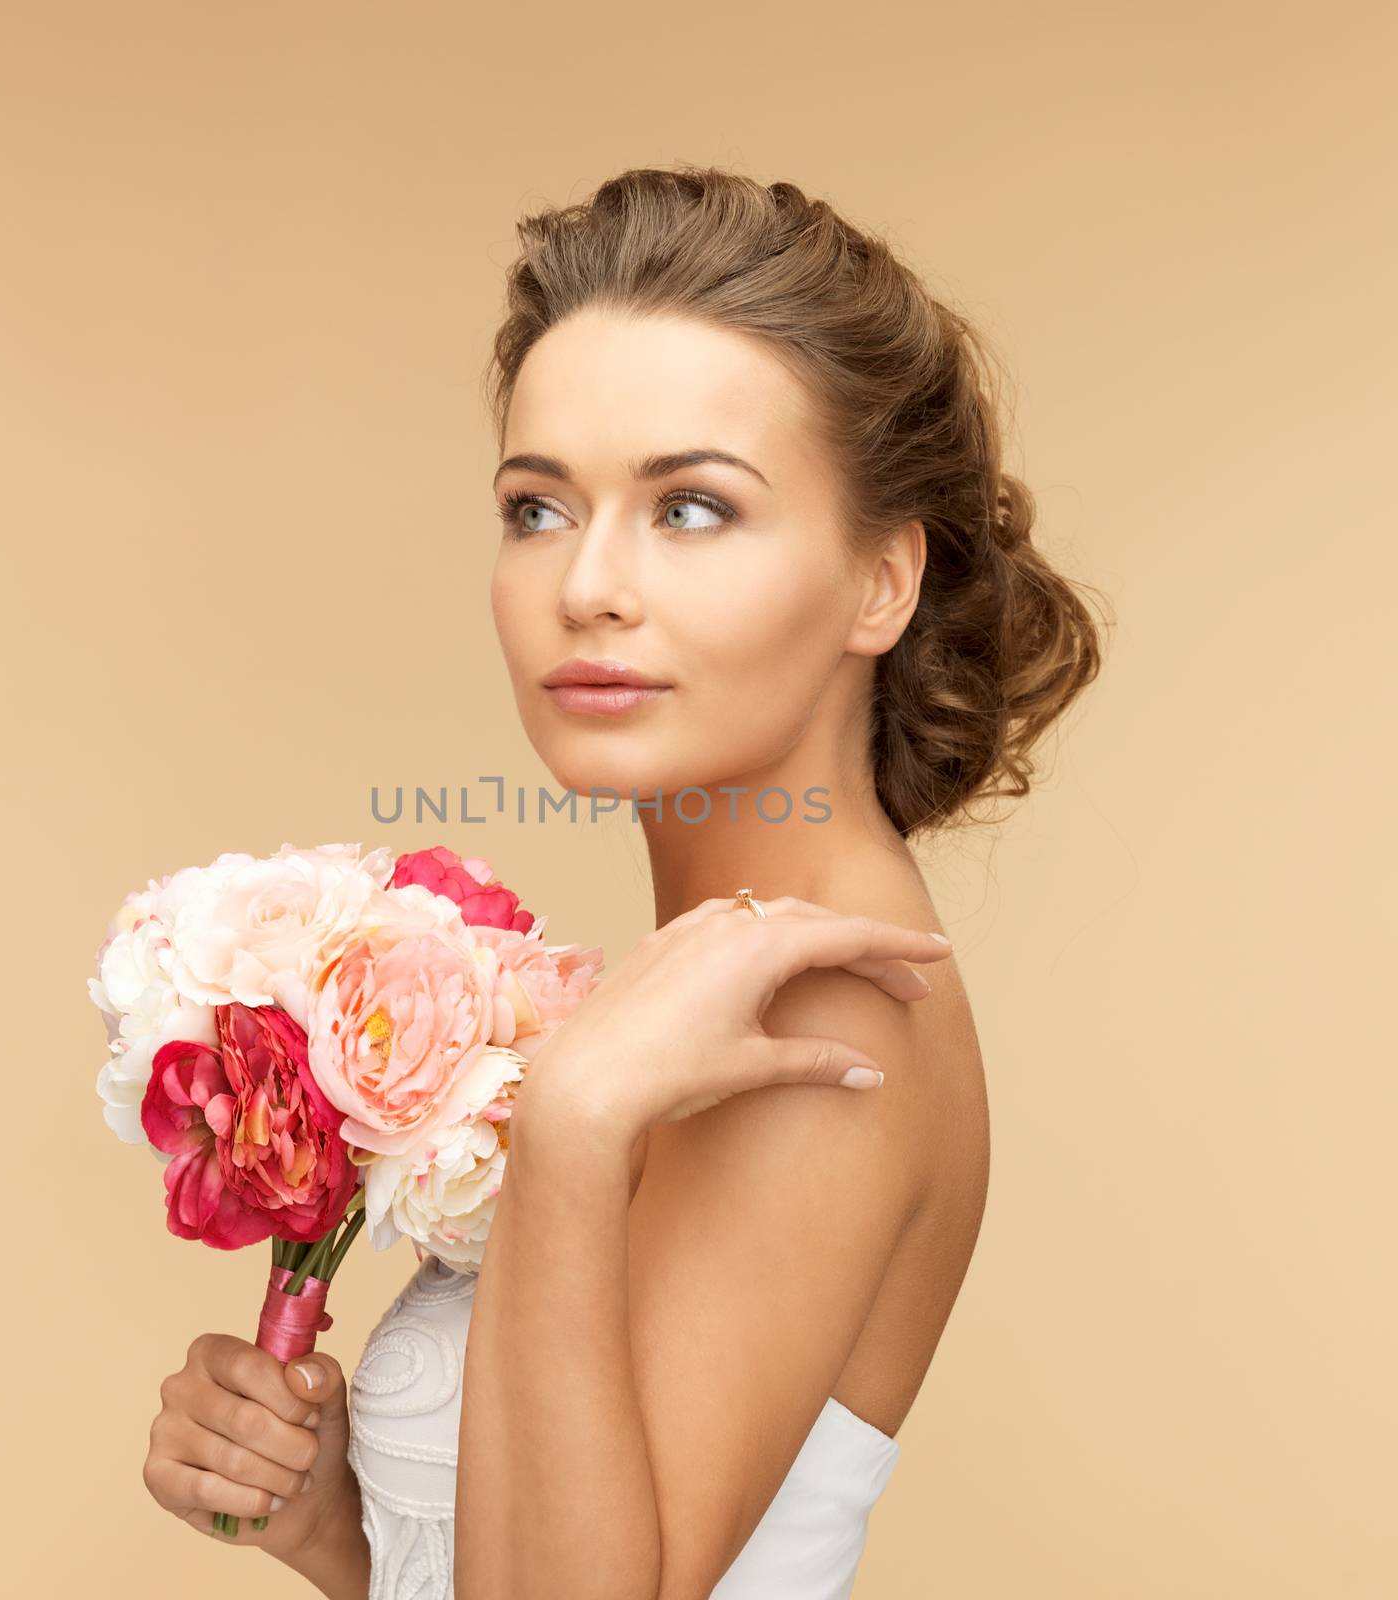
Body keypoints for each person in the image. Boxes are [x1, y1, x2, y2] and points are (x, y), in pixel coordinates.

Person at [141, 163, 1105, 1598]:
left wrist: (577, 1120)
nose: (587, 585)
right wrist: (335, 1528)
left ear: (880, 584)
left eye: (693, 509)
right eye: (538, 509)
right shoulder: (704, 986)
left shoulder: (828, 1021)